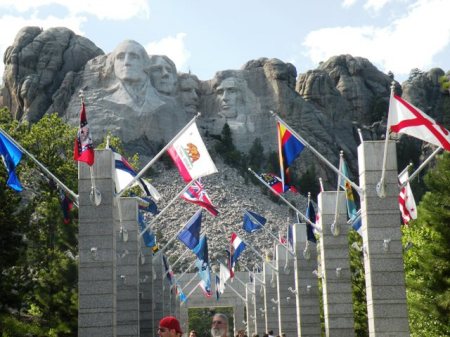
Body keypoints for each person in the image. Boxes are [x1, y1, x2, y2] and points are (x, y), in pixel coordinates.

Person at [103, 39, 164, 113]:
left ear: (145, 63)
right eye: (120, 57)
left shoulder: (165, 101)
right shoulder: (103, 101)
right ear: (113, 64)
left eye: (133, 57)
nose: (126, 62)